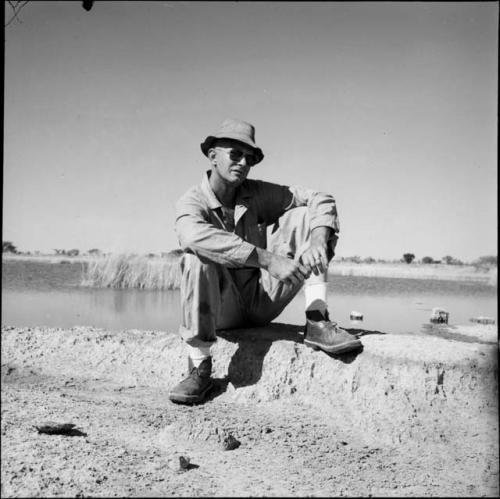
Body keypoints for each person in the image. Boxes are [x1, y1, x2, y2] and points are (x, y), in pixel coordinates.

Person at [169, 118, 362, 404]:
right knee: (197, 258)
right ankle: (199, 367)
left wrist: (318, 240)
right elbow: (192, 236)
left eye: (250, 158)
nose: (243, 162)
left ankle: (317, 320)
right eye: (235, 154)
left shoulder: (257, 191)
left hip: (262, 300)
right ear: (212, 156)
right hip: (223, 311)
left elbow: (320, 197)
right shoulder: (192, 201)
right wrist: (267, 259)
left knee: (304, 216)